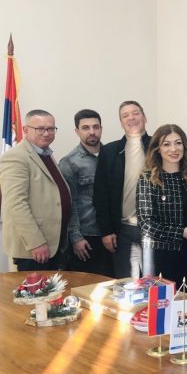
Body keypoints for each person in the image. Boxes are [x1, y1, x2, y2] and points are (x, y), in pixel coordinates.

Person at [0, 109, 71, 271]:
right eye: (40, 129)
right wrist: (36, 242)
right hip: (34, 249)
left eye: (51, 129)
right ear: (25, 130)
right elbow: (16, 204)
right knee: (37, 288)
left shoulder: (45, 153)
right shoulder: (16, 157)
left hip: (54, 244)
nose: (46, 133)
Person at [137, 124, 187, 288]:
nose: (174, 149)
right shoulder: (148, 179)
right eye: (166, 144)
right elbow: (146, 224)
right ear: (158, 149)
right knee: (161, 301)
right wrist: (181, 232)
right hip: (159, 256)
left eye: (178, 143)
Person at [94, 100, 151, 278]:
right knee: (127, 283)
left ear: (145, 117)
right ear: (121, 122)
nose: (131, 118)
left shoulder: (159, 147)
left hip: (154, 229)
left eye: (136, 113)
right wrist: (106, 231)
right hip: (123, 231)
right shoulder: (109, 151)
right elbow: (100, 194)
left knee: (155, 282)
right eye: (125, 115)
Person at [58, 109, 112, 276]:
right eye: (86, 128)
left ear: (101, 129)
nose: (92, 132)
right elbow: (69, 203)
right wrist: (76, 238)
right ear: (77, 131)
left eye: (96, 127)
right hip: (87, 237)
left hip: (113, 233)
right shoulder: (69, 163)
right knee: (88, 286)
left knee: (114, 284)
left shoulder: (113, 155)